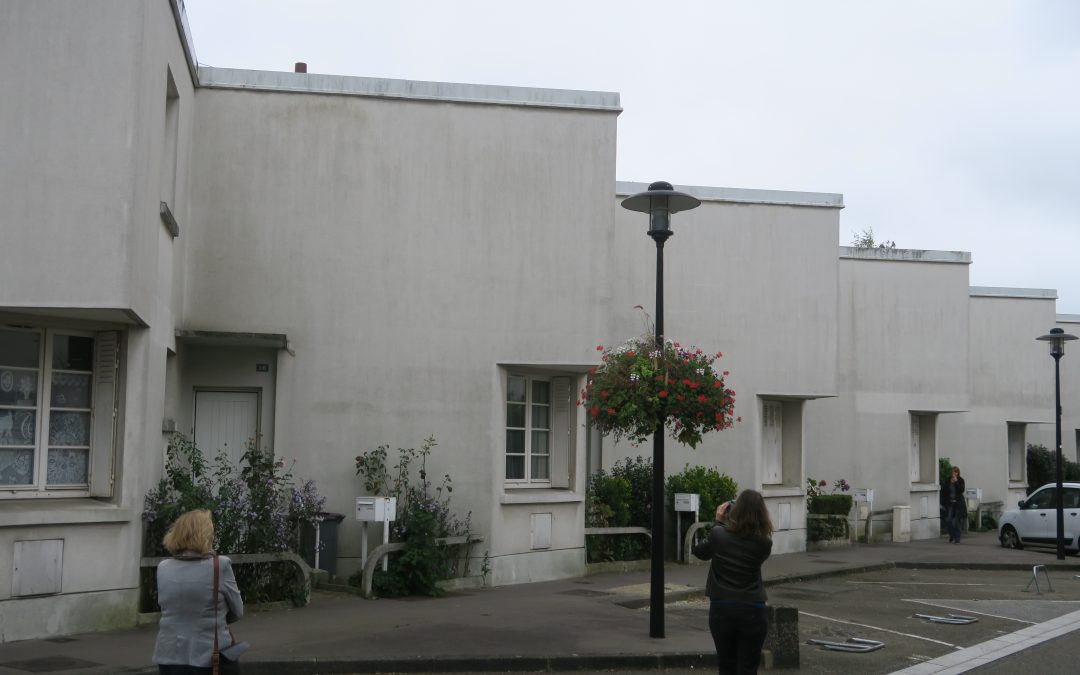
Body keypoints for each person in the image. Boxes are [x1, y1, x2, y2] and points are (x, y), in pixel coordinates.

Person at [692, 490, 774, 675]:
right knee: (747, 667)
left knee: (726, 665)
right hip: (753, 608)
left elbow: (700, 551)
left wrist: (718, 521)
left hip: (722, 608)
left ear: (735, 511)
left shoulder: (719, 534)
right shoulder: (764, 543)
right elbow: (748, 537)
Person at [153, 509, 244, 674]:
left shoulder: (163, 567)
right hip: (209, 655)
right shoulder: (220, 566)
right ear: (206, 535)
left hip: (168, 654)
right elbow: (238, 611)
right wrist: (215, 619)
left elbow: (170, 607)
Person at [940, 466, 967, 544]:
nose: (954, 473)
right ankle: (952, 536)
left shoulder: (961, 480)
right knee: (948, 520)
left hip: (958, 504)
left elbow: (961, 490)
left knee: (957, 521)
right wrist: (942, 502)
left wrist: (956, 482)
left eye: (956, 472)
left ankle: (957, 539)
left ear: (958, 473)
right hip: (950, 503)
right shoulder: (948, 480)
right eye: (953, 472)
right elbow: (944, 491)